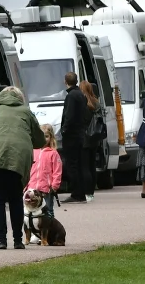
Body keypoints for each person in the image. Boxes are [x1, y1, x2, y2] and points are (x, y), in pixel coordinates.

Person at [0, 86, 44, 250]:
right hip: (17, 160)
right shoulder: (26, 112)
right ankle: (18, 241)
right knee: (15, 199)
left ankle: (1, 240)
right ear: (20, 98)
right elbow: (40, 140)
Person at [58, 72, 88, 202]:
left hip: (72, 136)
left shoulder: (71, 96)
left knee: (72, 165)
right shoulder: (80, 94)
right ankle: (81, 192)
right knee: (79, 164)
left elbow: (69, 116)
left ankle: (76, 193)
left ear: (66, 81)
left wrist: (64, 130)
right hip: (80, 134)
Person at [28, 124, 62, 218]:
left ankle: (50, 229)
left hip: (46, 189)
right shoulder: (33, 151)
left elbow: (57, 171)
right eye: (42, 136)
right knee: (31, 210)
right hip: (32, 187)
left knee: (48, 210)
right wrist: (26, 184)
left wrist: (54, 186)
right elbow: (28, 168)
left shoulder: (53, 153)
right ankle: (35, 229)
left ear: (51, 137)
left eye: (46, 136)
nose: (44, 139)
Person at [77, 80, 103, 197]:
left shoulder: (82, 103)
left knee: (84, 166)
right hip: (94, 137)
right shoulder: (96, 102)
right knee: (92, 165)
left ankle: (86, 191)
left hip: (84, 137)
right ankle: (92, 190)